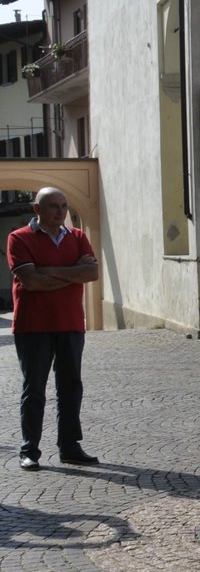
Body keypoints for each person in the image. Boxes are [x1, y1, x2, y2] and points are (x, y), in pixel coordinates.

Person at [9, 187, 100, 470]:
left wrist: (46, 270)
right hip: (33, 325)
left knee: (71, 387)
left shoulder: (78, 237)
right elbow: (31, 282)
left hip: (71, 323)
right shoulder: (18, 238)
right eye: (53, 207)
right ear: (37, 209)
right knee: (34, 388)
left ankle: (70, 447)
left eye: (64, 206)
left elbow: (92, 273)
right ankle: (29, 451)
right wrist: (73, 274)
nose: (61, 212)